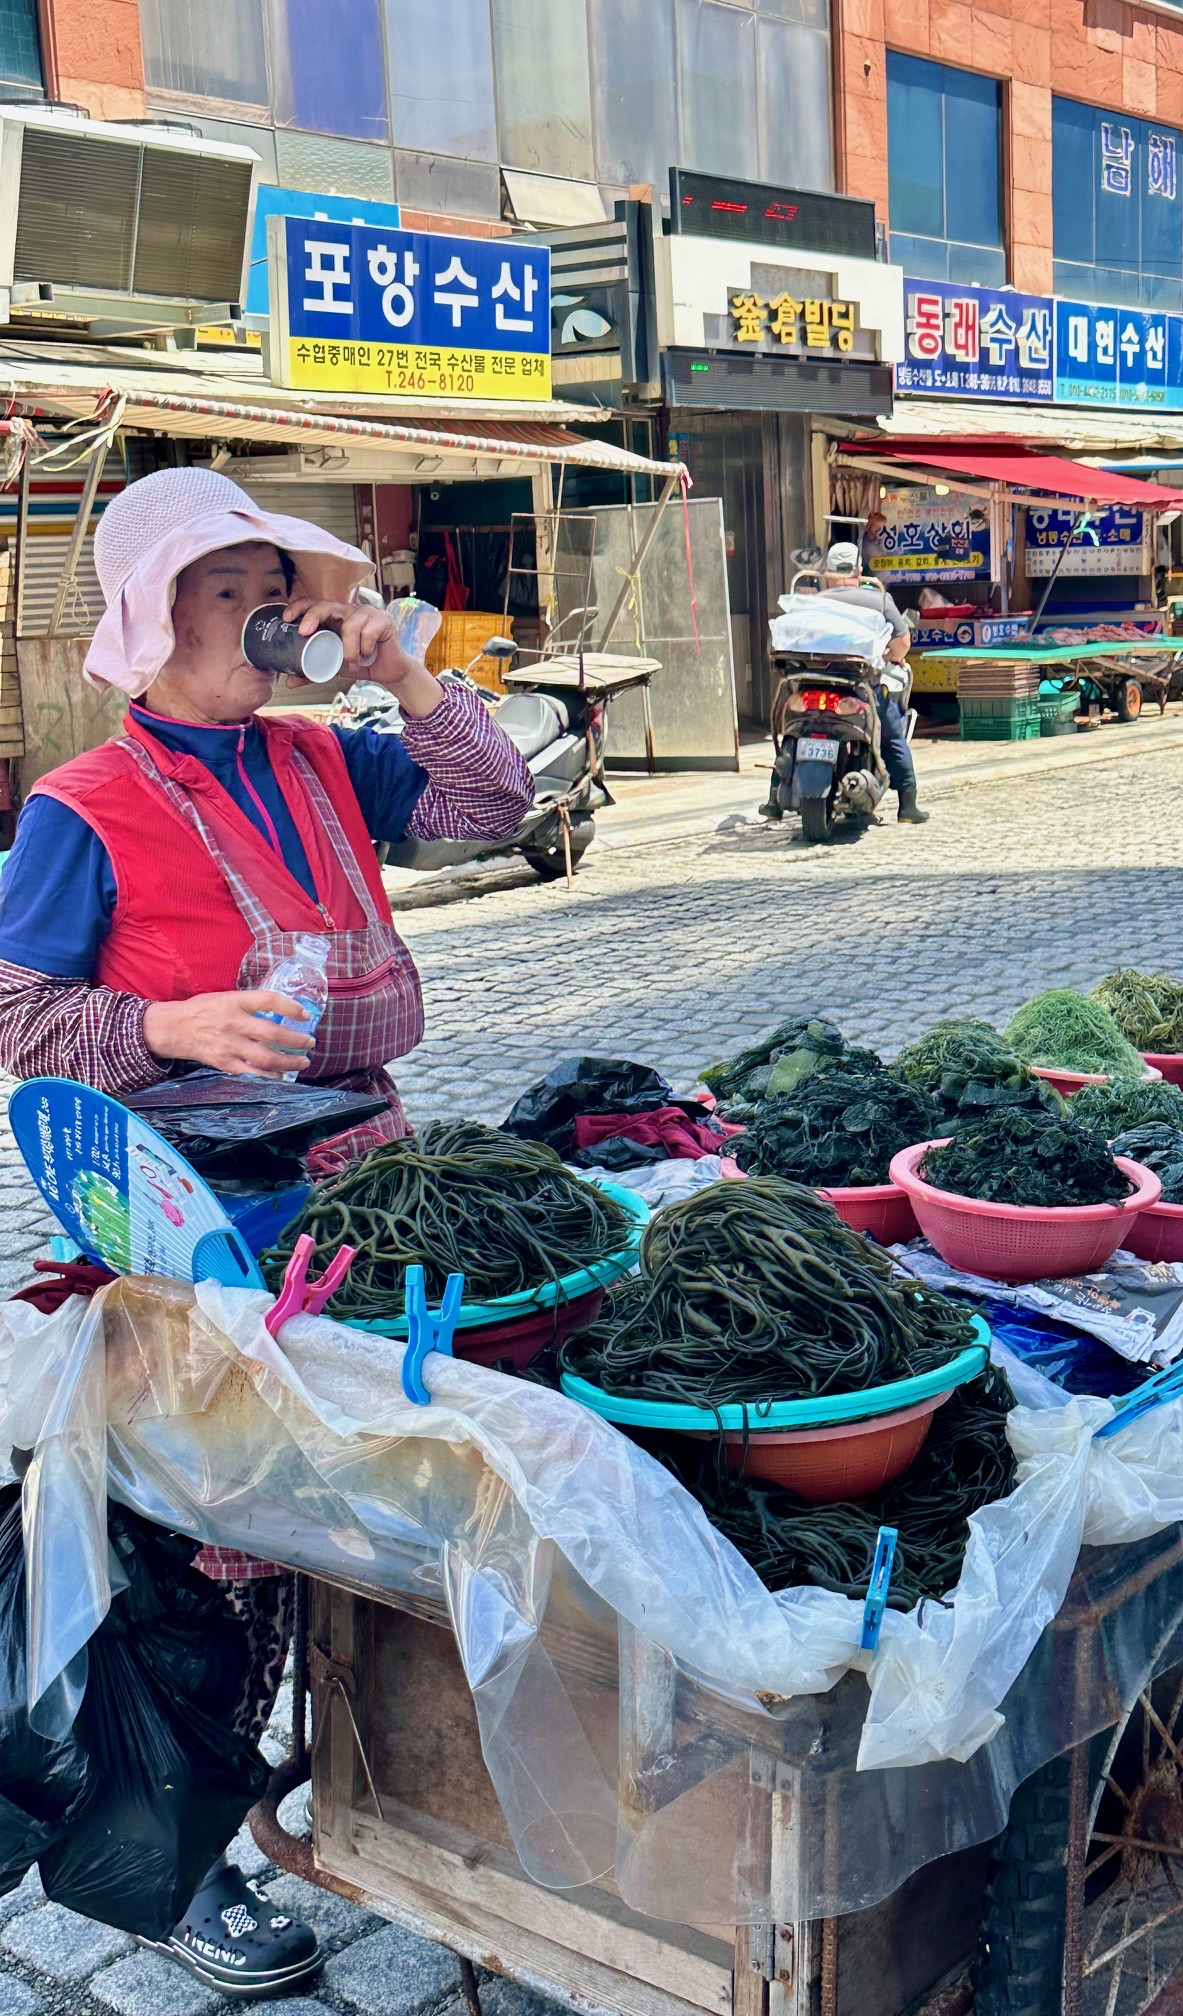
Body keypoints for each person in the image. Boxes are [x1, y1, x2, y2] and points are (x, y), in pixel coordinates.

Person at [0, 465, 534, 1997]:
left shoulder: (317, 759)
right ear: (151, 620)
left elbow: (494, 806)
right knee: (210, 1547)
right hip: (195, 1227)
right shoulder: (79, 808)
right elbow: (17, 1011)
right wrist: (168, 1021)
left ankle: (370, 1779)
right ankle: (187, 1866)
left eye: (273, 585)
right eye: (228, 590)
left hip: (363, 1185)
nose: (268, 615)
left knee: (353, 1511)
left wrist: (408, 673)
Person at [763, 540, 929, 825]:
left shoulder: (816, 600)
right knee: (891, 734)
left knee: (795, 730)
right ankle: (908, 806)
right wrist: (888, 656)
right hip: (859, 686)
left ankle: (773, 799)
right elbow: (902, 642)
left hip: (813, 683)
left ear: (827, 570)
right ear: (858, 569)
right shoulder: (878, 599)